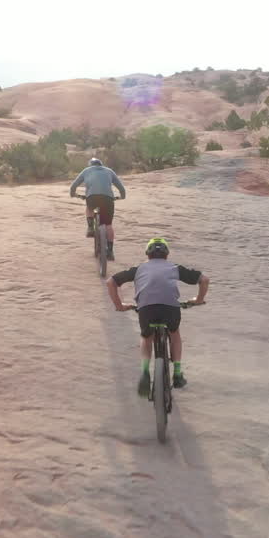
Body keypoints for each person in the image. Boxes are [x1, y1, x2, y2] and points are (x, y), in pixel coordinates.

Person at [107, 237, 209, 396]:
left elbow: (111, 282)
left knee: (147, 337)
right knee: (174, 334)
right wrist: (199, 300)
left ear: (147, 255)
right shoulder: (174, 268)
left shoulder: (138, 269)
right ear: (167, 255)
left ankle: (145, 372)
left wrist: (119, 306)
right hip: (170, 309)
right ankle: (177, 373)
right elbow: (204, 279)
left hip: (146, 310)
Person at [69, 157, 126, 260]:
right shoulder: (109, 171)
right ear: (101, 165)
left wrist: (74, 195)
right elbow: (121, 188)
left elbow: (73, 186)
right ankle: (110, 251)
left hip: (92, 197)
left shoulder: (86, 171)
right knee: (108, 224)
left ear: (91, 165)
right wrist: (122, 197)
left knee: (89, 208)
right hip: (107, 199)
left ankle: (90, 228)